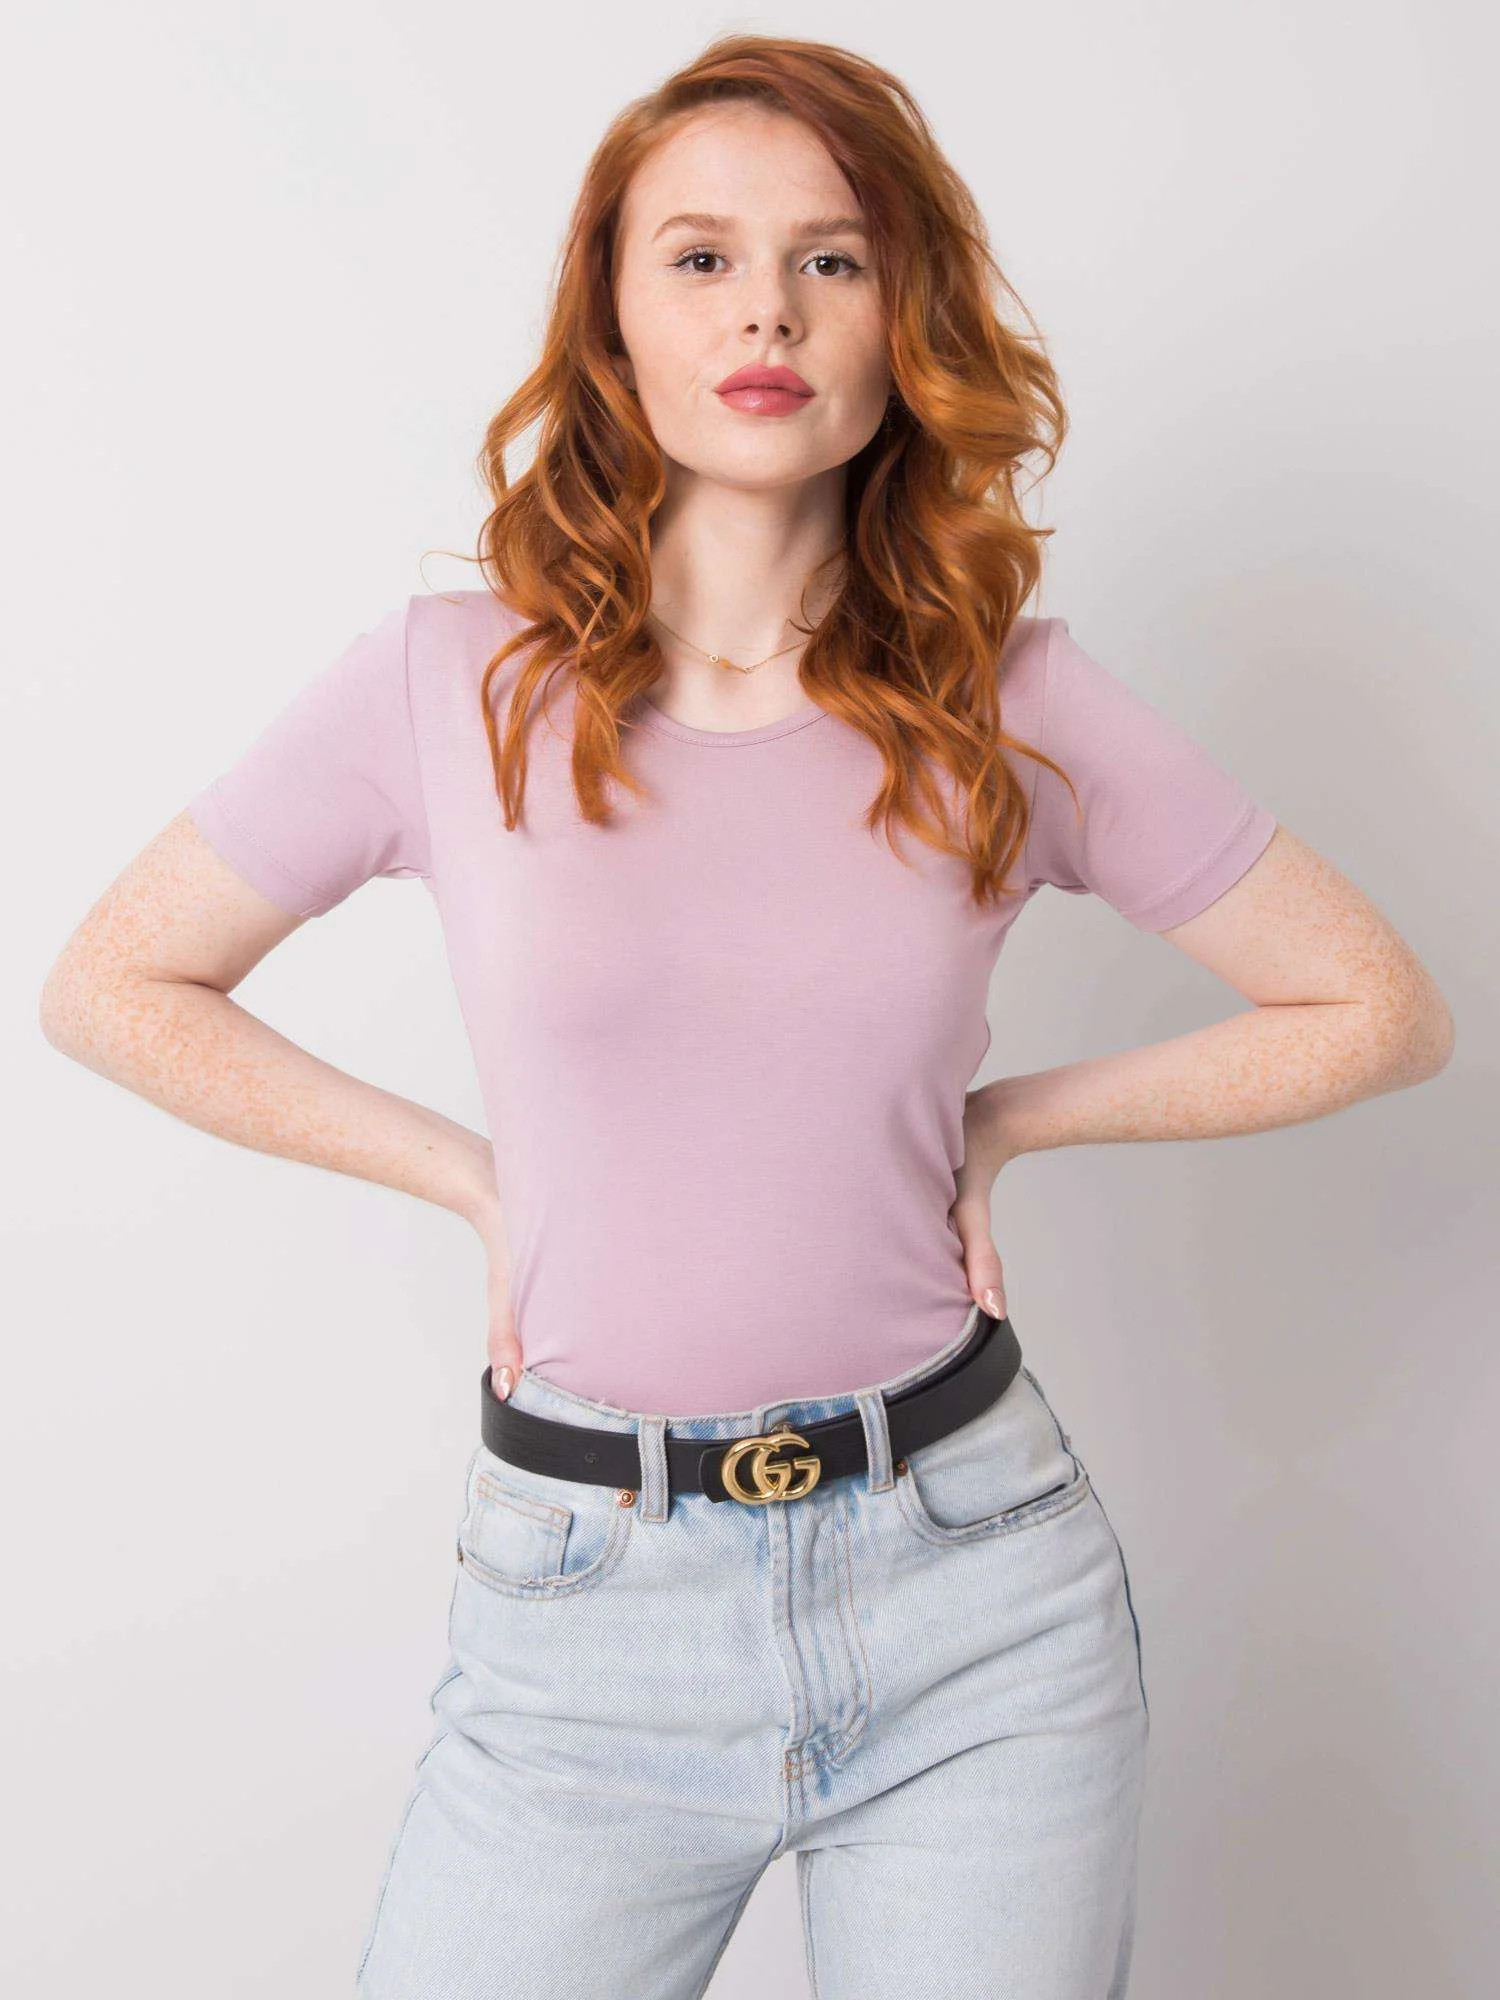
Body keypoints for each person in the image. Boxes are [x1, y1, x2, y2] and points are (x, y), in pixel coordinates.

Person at [39, 32, 1455, 2000]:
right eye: (699, 257)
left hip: (976, 1602)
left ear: (901, 321)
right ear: (614, 319)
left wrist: (1012, 1119)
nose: (766, 310)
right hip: (582, 1614)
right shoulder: (450, 685)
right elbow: (113, 983)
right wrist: (474, 1178)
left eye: (831, 259)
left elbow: (1377, 1005)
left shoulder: (1009, 700)